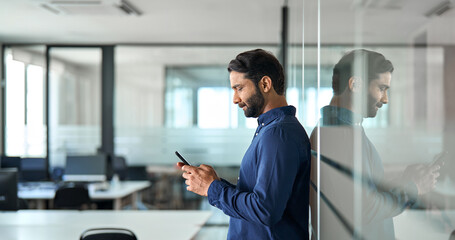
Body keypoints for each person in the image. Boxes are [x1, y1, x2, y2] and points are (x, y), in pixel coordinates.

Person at [177, 49, 311, 239]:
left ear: (265, 84)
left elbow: (265, 210)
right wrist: (212, 182)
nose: (235, 99)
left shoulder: (278, 134)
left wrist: (213, 189)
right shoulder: (270, 129)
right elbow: (256, 198)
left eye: (239, 88)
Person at [309, 49, 442, 240]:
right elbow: (363, 209)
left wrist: (405, 180)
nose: (385, 99)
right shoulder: (338, 132)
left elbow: (360, 193)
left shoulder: (347, 129)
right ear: (355, 84)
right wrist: (414, 187)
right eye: (381, 88)